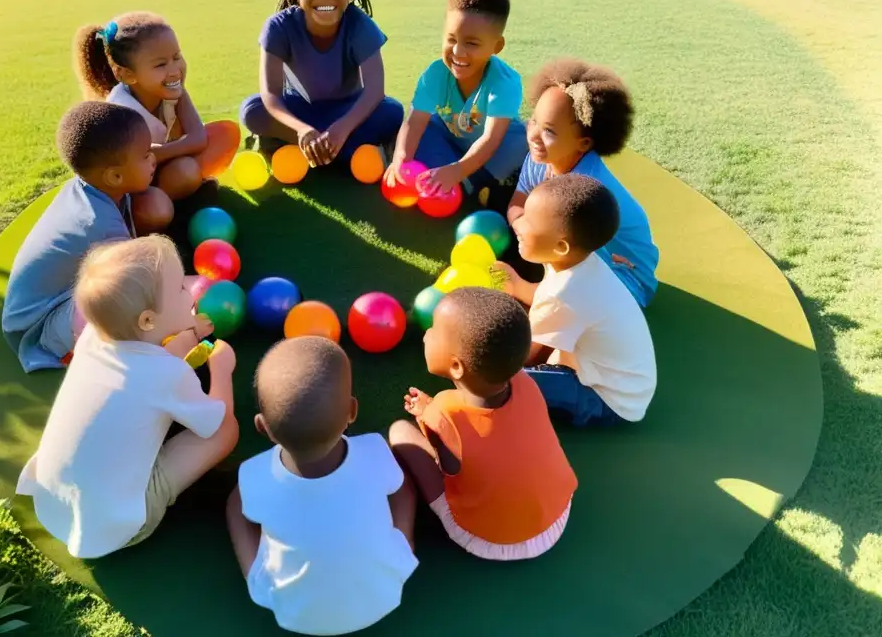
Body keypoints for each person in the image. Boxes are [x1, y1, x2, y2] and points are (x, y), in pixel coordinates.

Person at [17, 236, 239, 558]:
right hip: (116, 527)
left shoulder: (93, 336)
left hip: (54, 501)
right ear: (148, 320)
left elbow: (142, 359)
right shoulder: (167, 376)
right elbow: (214, 421)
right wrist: (222, 368)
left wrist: (185, 332)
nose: (189, 292)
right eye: (180, 288)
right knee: (224, 431)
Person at [226, 337, 418, 636]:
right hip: (383, 594)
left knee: (234, 507)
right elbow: (401, 493)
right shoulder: (374, 450)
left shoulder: (253, 474)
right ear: (352, 412)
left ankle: (255, 573)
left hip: (293, 612)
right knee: (403, 491)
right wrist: (402, 538)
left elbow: (245, 514)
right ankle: (402, 548)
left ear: (262, 426)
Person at [389, 287, 577, 561]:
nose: (427, 334)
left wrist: (427, 414)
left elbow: (450, 472)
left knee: (399, 432)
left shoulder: (444, 412)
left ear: (456, 367)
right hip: (555, 515)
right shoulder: (528, 383)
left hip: (490, 540)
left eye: (434, 331)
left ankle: (407, 535)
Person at [2, 101, 153, 372]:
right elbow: (133, 283)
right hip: (40, 326)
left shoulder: (98, 189)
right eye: (145, 155)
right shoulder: (98, 223)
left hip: (63, 296)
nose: (153, 158)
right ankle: (75, 351)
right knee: (123, 306)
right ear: (116, 176)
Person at [496, 174, 657, 426]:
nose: (520, 224)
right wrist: (517, 286)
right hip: (623, 381)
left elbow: (526, 356)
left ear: (561, 246)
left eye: (529, 220)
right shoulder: (577, 265)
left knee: (499, 381)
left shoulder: (566, 292)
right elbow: (549, 297)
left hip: (608, 399)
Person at [239, 0, 404, 168]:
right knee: (251, 110)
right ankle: (336, 150)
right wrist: (302, 129)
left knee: (393, 111)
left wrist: (342, 127)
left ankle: (311, 148)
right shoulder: (278, 28)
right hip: (299, 113)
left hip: (348, 112)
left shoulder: (360, 25)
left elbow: (375, 91)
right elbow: (271, 95)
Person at [507, 58, 658, 306]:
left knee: (563, 308)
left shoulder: (584, 193)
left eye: (549, 131)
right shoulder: (540, 158)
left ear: (584, 143)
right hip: (579, 257)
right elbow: (519, 199)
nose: (534, 135)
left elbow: (573, 279)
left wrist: (517, 287)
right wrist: (522, 227)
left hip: (625, 281)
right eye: (534, 120)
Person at [74, 11, 241, 233]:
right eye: (160, 65)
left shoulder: (175, 90)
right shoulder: (120, 112)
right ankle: (165, 221)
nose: (174, 71)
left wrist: (155, 152)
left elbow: (199, 138)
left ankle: (184, 201)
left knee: (208, 151)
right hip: (134, 189)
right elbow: (132, 170)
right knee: (157, 210)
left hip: (158, 170)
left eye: (177, 57)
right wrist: (169, 150)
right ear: (126, 75)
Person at [384, 0, 525, 208]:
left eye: (472, 43)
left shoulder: (505, 83)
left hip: (493, 150)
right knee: (424, 132)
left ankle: (478, 183)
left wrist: (457, 171)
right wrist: (401, 158)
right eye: (451, 39)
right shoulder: (435, 73)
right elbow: (415, 121)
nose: (458, 52)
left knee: (522, 140)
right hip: (451, 140)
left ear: (496, 46)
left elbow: (490, 140)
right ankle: (469, 184)